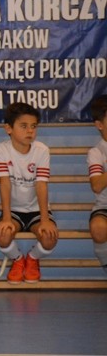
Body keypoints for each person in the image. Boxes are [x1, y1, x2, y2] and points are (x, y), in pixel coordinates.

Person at [0, 102, 58, 284]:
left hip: (37, 210)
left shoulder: (42, 150)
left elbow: (41, 185)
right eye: (23, 126)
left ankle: (32, 258)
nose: (30, 131)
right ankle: (17, 259)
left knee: (49, 238)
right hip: (14, 211)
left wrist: (45, 220)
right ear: (9, 128)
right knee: (3, 235)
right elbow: (4, 184)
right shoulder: (1, 149)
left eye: (33, 126)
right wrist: (6, 218)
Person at [87, 95, 107, 275]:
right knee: (98, 228)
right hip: (104, 207)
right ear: (99, 125)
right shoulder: (96, 152)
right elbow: (97, 186)